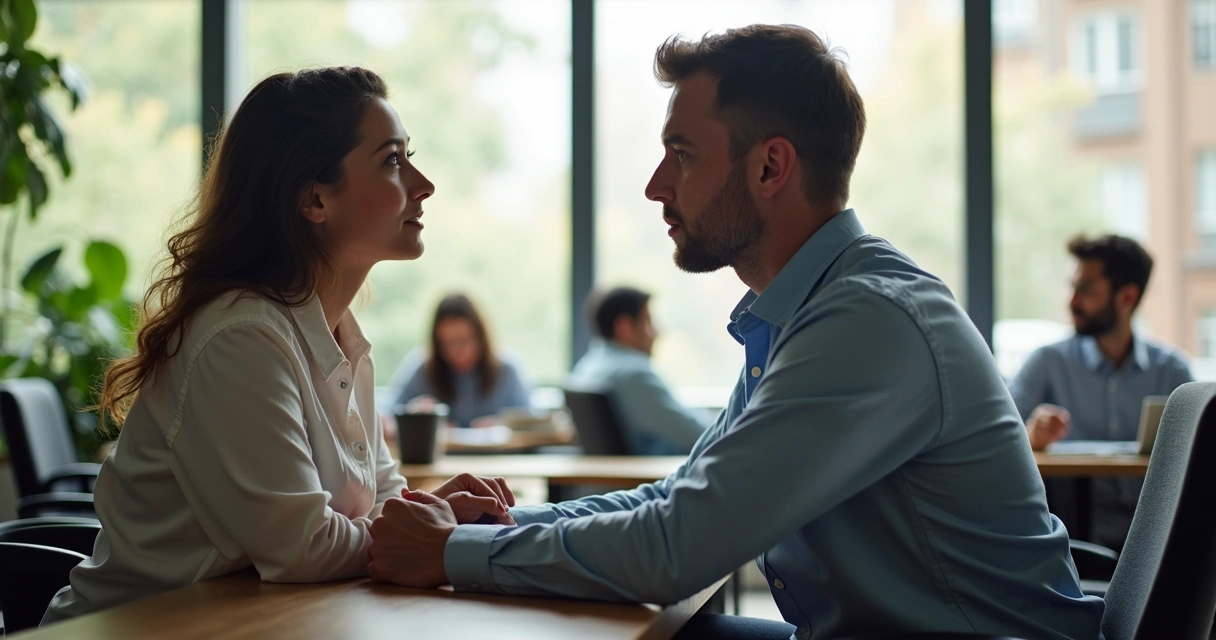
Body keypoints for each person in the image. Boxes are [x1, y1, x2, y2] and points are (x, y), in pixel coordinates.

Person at [362, 26, 1104, 640]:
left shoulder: (867, 320)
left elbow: (679, 545)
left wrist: (454, 551)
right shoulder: (804, 314)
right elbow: (683, 497)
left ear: (771, 166)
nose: (656, 184)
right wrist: (495, 522)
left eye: (680, 154)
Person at [42, 67, 516, 624]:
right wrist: (429, 524)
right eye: (392, 160)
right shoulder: (241, 335)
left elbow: (382, 500)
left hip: (253, 622)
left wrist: (432, 515)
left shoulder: (340, 337)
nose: (422, 183)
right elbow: (302, 547)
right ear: (314, 199)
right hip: (146, 629)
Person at [1009, 234, 1193, 549]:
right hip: (1069, 542)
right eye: (1073, 287)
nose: (1072, 302)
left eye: (1086, 290)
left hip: (1157, 544)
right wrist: (1031, 436)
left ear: (1127, 298)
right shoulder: (1047, 363)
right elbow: (999, 443)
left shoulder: (1172, 372)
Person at [569, 287, 709, 454]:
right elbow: (696, 434)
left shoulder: (587, 367)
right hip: (653, 473)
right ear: (625, 327)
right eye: (649, 322)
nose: (657, 332)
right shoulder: (632, 375)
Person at [388, 293, 532, 428]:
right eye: (445, 344)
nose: (455, 352)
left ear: (482, 337)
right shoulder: (422, 369)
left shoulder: (507, 369)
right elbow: (386, 416)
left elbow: (532, 423)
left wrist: (503, 425)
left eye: (463, 341)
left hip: (500, 455)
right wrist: (413, 414)